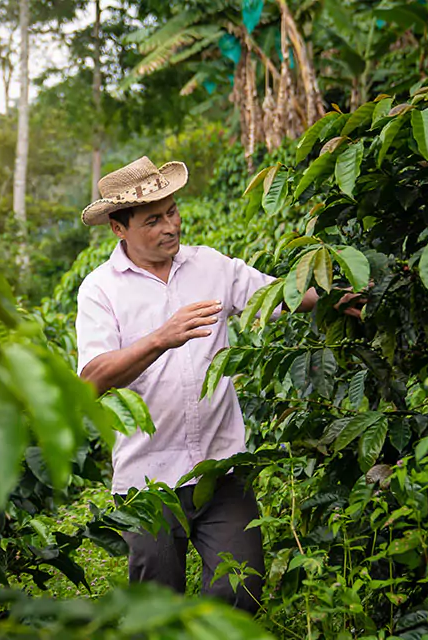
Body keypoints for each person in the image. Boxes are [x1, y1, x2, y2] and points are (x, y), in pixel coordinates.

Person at [75, 156, 359, 611]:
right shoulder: (100, 290)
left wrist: (340, 296)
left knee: (240, 589)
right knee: (156, 608)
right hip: (147, 482)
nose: (171, 226)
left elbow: (278, 295)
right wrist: (161, 338)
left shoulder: (211, 266)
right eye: (153, 219)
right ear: (118, 228)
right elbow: (92, 378)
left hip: (221, 467)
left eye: (172, 211)